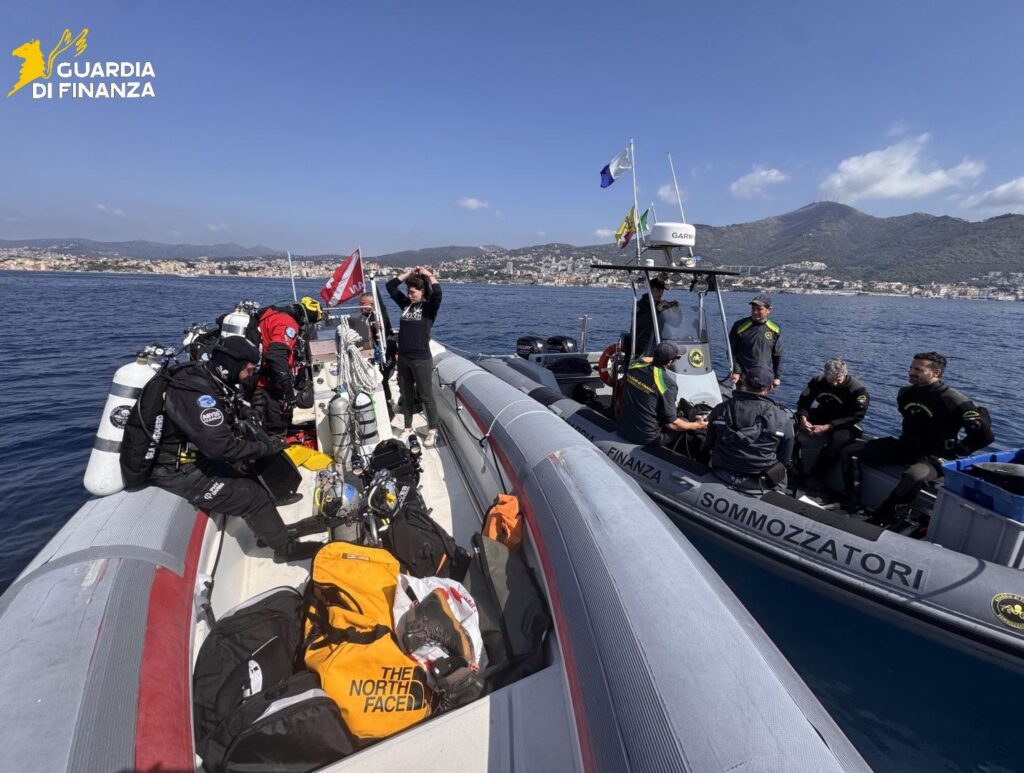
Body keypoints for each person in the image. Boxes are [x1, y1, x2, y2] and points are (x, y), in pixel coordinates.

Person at [149, 337, 321, 563]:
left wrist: (245, 412)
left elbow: (227, 406)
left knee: (253, 473)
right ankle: (285, 550)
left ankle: (269, 532)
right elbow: (221, 448)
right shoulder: (194, 393)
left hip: (196, 456)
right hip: (176, 470)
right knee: (251, 495)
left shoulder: (208, 378)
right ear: (232, 365)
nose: (248, 376)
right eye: (247, 370)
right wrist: (264, 447)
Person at [840, 352, 993, 526]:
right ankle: (852, 501)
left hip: (934, 456)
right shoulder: (906, 393)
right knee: (849, 451)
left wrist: (959, 450)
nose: (911, 372)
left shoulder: (953, 399)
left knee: (913, 476)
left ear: (936, 373)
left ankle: (883, 518)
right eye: (911, 368)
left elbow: (985, 436)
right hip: (906, 446)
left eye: (918, 369)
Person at [704, 364, 795, 492]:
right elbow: (785, 458)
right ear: (770, 388)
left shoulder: (721, 409)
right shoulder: (782, 418)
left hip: (721, 472)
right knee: (782, 470)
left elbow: (709, 443)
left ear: (744, 382)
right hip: (759, 482)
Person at [386, 266, 443, 447]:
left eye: (413, 292)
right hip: (404, 358)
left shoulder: (429, 308)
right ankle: (408, 427)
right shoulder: (406, 305)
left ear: (422, 291)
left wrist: (429, 275)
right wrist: (408, 274)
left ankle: (432, 429)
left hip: (421, 358)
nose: (409, 295)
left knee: (426, 395)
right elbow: (390, 287)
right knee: (406, 394)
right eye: (408, 292)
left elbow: (438, 293)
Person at [616, 341, 708, 446]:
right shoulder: (667, 384)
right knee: (685, 420)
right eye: (677, 358)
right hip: (647, 438)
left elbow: (644, 359)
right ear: (670, 362)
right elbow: (672, 424)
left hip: (622, 428)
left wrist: (658, 359)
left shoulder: (634, 365)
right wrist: (697, 425)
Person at [253, 296, 322, 434]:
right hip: (270, 386)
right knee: (276, 430)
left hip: (259, 382)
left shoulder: (271, 316)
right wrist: (288, 390)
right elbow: (276, 355)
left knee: (262, 428)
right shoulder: (287, 322)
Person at [795, 358, 869, 485]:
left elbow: (856, 416)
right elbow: (804, 401)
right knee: (792, 420)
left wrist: (827, 427)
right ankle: (792, 464)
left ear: (844, 375)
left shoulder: (857, 390)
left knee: (838, 441)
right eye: (830, 380)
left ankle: (816, 479)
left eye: (838, 380)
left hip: (845, 422)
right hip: (823, 413)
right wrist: (803, 418)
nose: (834, 384)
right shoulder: (818, 381)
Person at [728, 294, 782, 388]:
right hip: (743, 378)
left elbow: (778, 354)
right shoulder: (739, 326)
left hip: (763, 378)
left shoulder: (775, 328)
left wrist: (777, 376)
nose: (755, 312)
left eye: (759, 309)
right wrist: (736, 371)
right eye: (753, 308)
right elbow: (730, 351)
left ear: (769, 310)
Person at [359, 291, 398, 419]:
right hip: (371, 355)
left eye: (363, 304)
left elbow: (381, 307)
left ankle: (388, 408)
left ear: (372, 304)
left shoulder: (380, 316)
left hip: (386, 356)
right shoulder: (362, 318)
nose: (361, 306)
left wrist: (378, 327)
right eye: (360, 303)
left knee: (382, 380)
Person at [634, 277, 679, 356]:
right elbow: (638, 322)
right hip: (642, 345)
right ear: (650, 290)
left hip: (658, 343)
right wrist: (657, 310)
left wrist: (676, 312)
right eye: (658, 290)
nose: (660, 293)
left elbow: (675, 324)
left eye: (662, 291)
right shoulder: (640, 305)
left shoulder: (662, 305)